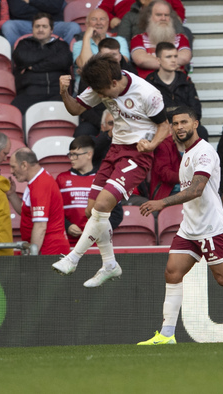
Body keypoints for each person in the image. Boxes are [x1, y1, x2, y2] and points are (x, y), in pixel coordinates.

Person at [137, 106, 223, 345]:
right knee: (172, 272)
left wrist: (162, 202)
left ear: (195, 123)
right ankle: (167, 334)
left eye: (184, 122)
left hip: (209, 227)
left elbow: (196, 190)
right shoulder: (187, 154)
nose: (179, 127)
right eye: (175, 123)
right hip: (190, 227)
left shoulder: (204, 152)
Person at [52, 53, 170, 287]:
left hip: (138, 154)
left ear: (115, 83)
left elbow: (164, 126)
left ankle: (73, 258)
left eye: (104, 92)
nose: (102, 96)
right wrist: (64, 93)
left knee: (103, 205)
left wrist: (152, 144)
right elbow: (75, 109)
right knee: (91, 211)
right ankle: (109, 264)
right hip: (115, 150)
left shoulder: (148, 94)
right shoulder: (100, 85)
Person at [56, 136, 123, 247]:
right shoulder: (61, 179)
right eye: (70, 154)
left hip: (98, 245)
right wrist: (67, 226)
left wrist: (98, 230)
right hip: (68, 244)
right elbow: (54, 211)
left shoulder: (104, 180)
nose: (71, 158)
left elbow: (117, 214)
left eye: (76, 155)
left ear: (89, 154)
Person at [7, 148, 70, 255]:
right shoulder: (36, 181)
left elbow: (40, 226)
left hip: (49, 250)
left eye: (13, 167)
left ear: (24, 165)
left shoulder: (40, 185)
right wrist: (12, 194)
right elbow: (26, 213)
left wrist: (33, 257)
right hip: (46, 248)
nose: (11, 171)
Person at [74, 37, 138, 139]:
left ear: (120, 56)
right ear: (99, 56)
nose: (110, 59)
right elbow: (84, 106)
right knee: (82, 133)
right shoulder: (89, 73)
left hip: (126, 118)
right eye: (106, 56)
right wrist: (101, 122)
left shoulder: (131, 74)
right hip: (96, 120)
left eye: (114, 55)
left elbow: (136, 101)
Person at [10, 13, 73, 114]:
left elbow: (64, 61)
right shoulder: (23, 44)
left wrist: (33, 67)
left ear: (51, 30)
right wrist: (52, 57)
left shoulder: (61, 45)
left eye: (44, 26)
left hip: (57, 94)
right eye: (37, 26)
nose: (40, 29)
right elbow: (22, 58)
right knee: (14, 111)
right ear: (33, 29)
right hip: (29, 93)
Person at [145, 42, 208, 140]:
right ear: (158, 60)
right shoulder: (149, 83)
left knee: (201, 131)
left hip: (184, 127)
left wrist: (179, 125)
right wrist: (166, 125)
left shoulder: (186, 81)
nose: (173, 60)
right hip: (160, 128)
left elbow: (196, 111)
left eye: (175, 56)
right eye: (168, 57)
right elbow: (146, 113)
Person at [130, 0, 191, 79]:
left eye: (166, 15)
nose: (163, 18)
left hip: (177, 86)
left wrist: (154, 62)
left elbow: (185, 58)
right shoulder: (138, 39)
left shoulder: (181, 38)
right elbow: (141, 60)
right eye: (159, 15)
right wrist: (170, 64)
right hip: (148, 85)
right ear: (148, 17)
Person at [73, 8, 130, 76]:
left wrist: (92, 68)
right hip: (87, 84)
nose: (98, 23)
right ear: (87, 24)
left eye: (102, 19)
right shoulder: (78, 44)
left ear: (107, 23)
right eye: (94, 19)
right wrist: (86, 37)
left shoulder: (119, 40)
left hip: (114, 81)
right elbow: (85, 65)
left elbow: (121, 64)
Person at [2, 0, 80, 46]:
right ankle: (19, 59)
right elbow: (18, 10)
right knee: (8, 26)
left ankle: (63, 58)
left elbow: (55, 7)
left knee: (73, 27)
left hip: (51, 24)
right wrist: (44, 6)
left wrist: (30, 1)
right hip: (27, 24)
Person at [149, 128, 183, 201]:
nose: (180, 127)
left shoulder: (198, 146)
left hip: (191, 191)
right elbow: (166, 174)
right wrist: (187, 177)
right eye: (176, 124)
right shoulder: (164, 145)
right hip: (170, 192)